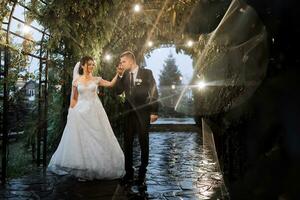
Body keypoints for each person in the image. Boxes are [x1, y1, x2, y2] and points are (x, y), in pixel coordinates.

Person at [47, 56, 125, 181]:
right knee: (82, 140)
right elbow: (74, 98)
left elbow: (110, 84)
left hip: (95, 111)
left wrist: (118, 74)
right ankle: (83, 170)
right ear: (82, 65)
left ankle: (96, 167)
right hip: (80, 112)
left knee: (97, 138)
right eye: (89, 64)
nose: (91, 67)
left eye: (93, 64)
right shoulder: (76, 81)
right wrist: (71, 111)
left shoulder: (96, 79)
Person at [115, 51, 159, 188]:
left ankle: (142, 173)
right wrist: (120, 75)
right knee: (127, 143)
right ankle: (128, 173)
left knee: (143, 142)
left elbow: (153, 91)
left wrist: (154, 111)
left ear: (130, 61)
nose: (121, 64)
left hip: (143, 113)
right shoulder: (125, 75)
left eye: (123, 62)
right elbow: (117, 91)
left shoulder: (147, 73)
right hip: (128, 114)